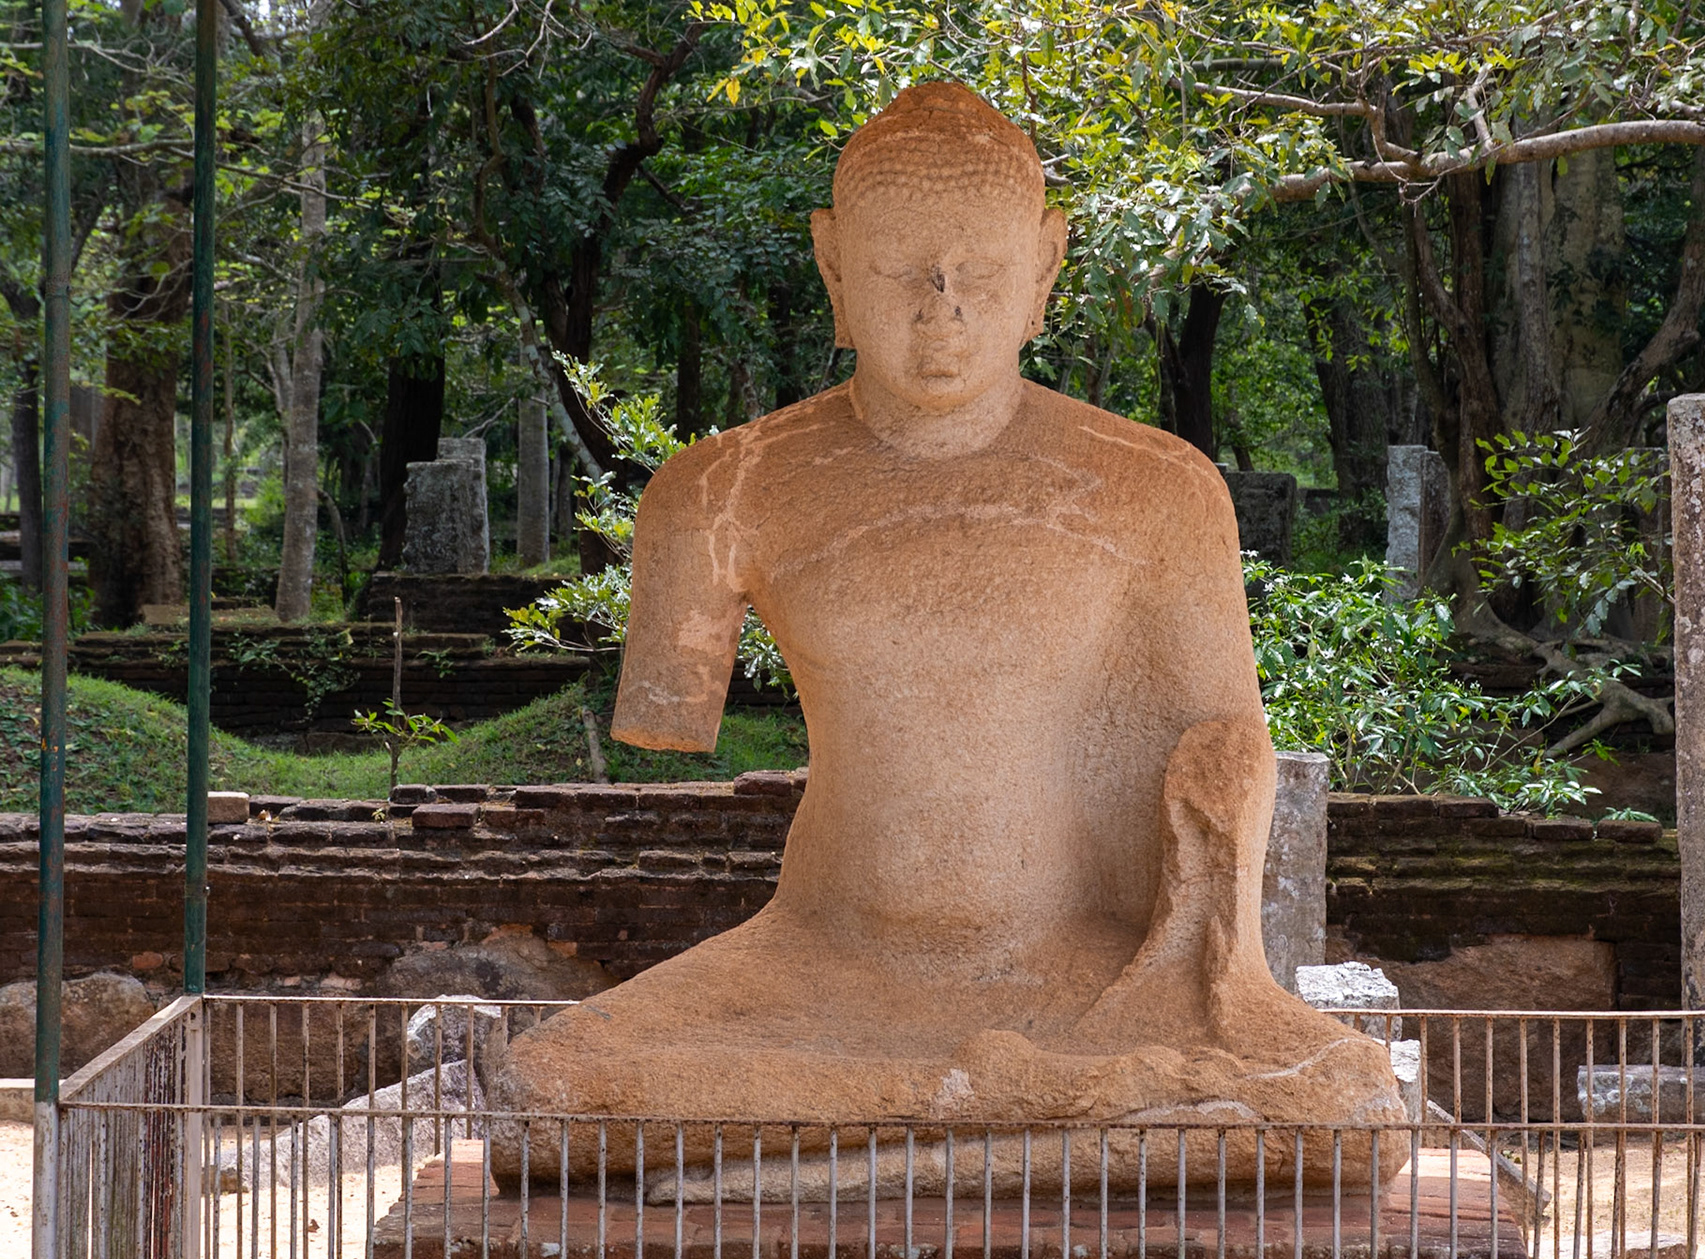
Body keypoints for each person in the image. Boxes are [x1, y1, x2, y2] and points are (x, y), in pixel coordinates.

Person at [487, 82, 1407, 1191]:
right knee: (550, 1093)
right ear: (831, 266)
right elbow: (663, 717)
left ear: (1047, 268)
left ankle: (926, 1121)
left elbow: (1219, 763)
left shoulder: (1159, 492)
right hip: (815, 967)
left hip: (1082, 975)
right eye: (898, 272)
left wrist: (1191, 943)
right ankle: (1007, 1114)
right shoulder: (720, 492)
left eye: (980, 274)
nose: (942, 310)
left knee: (1349, 1114)